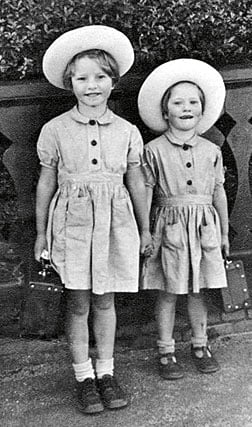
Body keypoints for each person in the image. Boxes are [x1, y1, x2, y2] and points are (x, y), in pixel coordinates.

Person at [34, 25, 152, 414]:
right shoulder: (55, 130)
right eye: (82, 78)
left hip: (114, 225)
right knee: (79, 303)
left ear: (113, 81)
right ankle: (83, 376)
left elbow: (135, 180)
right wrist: (40, 233)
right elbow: (47, 181)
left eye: (100, 77)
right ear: (70, 82)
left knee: (106, 301)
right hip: (73, 225)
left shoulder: (127, 131)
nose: (92, 85)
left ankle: (107, 371)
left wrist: (145, 227)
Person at [137, 58, 229, 380]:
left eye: (193, 102)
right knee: (167, 290)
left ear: (202, 111)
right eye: (178, 102)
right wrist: (145, 232)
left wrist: (225, 233)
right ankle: (165, 350)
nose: (186, 108)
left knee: (198, 289)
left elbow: (218, 193)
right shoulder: (153, 150)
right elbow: (146, 192)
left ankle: (200, 344)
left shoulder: (211, 150)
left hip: (203, 227)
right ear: (166, 113)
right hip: (169, 227)